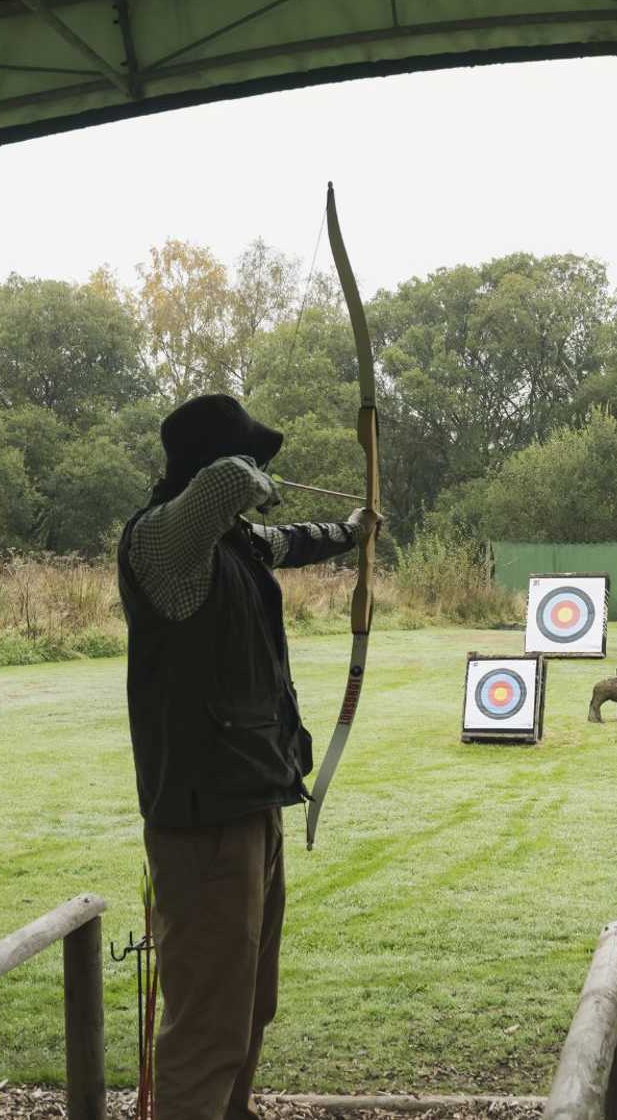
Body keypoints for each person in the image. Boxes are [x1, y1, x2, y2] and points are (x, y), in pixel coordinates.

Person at [117, 393, 378, 1120]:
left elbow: (288, 541)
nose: (260, 474)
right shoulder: (162, 544)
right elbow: (228, 484)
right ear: (212, 463)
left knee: (247, 1004)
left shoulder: (229, 542)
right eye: (252, 458)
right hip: (203, 819)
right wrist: (253, 474)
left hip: (251, 800)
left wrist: (350, 531)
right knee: (207, 1022)